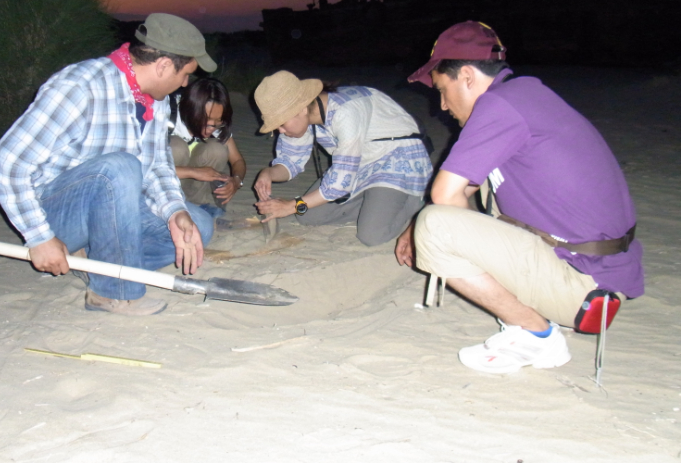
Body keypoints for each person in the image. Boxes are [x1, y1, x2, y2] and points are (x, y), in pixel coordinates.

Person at [396, 20, 644, 373]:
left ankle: (536, 334)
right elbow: (460, 188)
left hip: (586, 284)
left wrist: (427, 230)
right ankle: (539, 317)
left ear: (466, 76)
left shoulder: (500, 106)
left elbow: (444, 196)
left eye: (441, 89)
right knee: (466, 190)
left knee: (436, 227)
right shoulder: (523, 95)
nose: (442, 106)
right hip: (600, 268)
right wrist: (412, 226)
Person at [0, 13, 217, 316]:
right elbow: (9, 160)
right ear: (163, 66)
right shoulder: (81, 86)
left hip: (110, 210)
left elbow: (157, 168)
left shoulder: (157, 100)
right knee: (120, 168)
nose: (184, 84)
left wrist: (175, 211)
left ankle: (97, 261)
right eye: (185, 74)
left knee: (198, 227)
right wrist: (40, 237)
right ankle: (112, 292)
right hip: (55, 212)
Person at [254, 70, 433, 246]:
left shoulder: (346, 111)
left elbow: (339, 183)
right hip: (359, 165)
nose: (280, 131)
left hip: (395, 159)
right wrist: (268, 173)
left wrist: (290, 206)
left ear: (301, 109)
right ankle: (374, 204)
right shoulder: (305, 114)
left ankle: (417, 203)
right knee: (307, 214)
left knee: (371, 235)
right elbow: (290, 162)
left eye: (281, 124)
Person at [168, 78, 247, 215]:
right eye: (206, 120)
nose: (212, 127)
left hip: (190, 190)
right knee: (177, 147)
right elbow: (147, 167)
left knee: (217, 149)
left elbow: (237, 161)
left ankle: (196, 205)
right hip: (163, 188)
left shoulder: (217, 123)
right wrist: (193, 172)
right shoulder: (168, 114)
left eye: (218, 121)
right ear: (190, 109)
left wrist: (236, 181)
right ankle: (171, 205)